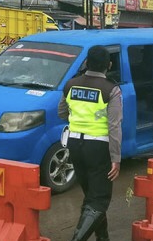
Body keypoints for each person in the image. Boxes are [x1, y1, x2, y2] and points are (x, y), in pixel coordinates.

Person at [58, 45, 123, 241]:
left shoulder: (71, 85)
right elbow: (114, 127)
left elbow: (61, 113)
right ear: (109, 65)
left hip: (74, 145)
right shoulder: (111, 90)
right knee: (99, 199)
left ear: (86, 63)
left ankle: (103, 238)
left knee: (92, 196)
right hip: (98, 148)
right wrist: (116, 158)